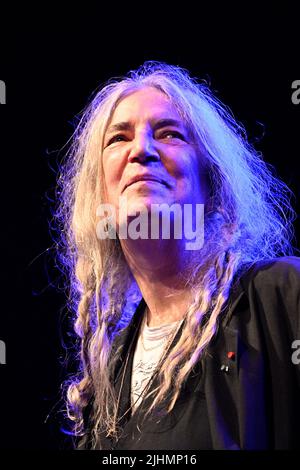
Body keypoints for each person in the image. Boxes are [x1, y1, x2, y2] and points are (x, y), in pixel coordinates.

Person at [55, 61, 300, 450]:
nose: (142, 150)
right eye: (118, 138)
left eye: (169, 133)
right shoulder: (108, 380)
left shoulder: (282, 297)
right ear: (99, 192)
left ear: (212, 181)